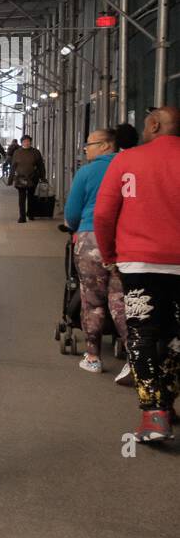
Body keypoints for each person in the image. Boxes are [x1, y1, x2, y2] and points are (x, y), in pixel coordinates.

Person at [93, 106, 180, 442]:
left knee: (142, 333)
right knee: (176, 334)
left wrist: (110, 255)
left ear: (155, 124)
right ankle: (167, 399)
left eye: (147, 123)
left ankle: (154, 412)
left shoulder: (127, 160)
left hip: (138, 263)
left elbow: (103, 214)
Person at [64, 128, 129, 380]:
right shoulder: (129, 167)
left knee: (92, 300)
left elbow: (71, 212)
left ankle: (93, 357)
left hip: (91, 239)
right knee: (121, 300)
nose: (86, 149)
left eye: (89, 144)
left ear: (106, 145)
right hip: (125, 241)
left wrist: (75, 227)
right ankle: (135, 359)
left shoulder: (88, 172)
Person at [9, 134, 46, 222]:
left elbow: (40, 165)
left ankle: (30, 213)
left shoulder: (36, 152)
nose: (26, 143)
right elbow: (13, 166)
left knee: (31, 197)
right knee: (21, 198)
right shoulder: (17, 152)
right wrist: (10, 178)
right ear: (21, 143)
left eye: (28, 141)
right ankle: (22, 216)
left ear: (30, 142)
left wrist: (42, 176)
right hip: (20, 178)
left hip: (32, 178)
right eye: (24, 141)